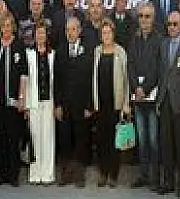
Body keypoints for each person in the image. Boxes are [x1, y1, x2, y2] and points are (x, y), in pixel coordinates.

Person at [156, 11, 180, 197]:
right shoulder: (163, 44)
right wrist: (158, 100)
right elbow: (161, 74)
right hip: (164, 101)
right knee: (166, 144)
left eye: (175, 24)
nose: (171, 27)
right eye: (169, 24)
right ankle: (168, 181)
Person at [53, 17, 94, 188]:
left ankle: (79, 175)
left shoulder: (88, 51)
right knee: (65, 140)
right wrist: (57, 105)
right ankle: (66, 174)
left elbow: (91, 79)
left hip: (81, 105)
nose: (70, 33)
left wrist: (89, 105)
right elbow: (56, 80)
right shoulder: (60, 51)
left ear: (79, 31)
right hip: (65, 105)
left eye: (73, 29)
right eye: (67, 30)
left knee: (81, 139)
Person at [128, 3, 163, 190]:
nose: (143, 19)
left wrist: (146, 88)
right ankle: (143, 175)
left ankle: (156, 177)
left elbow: (158, 68)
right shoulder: (134, 40)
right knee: (141, 139)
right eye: (141, 16)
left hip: (152, 98)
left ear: (153, 18)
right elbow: (130, 65)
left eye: (147, 16)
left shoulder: (159, 40)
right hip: (138, 98)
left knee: (154, 139)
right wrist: (136, 88)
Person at [92, 19, 130, 187]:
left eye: (108, 32)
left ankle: (113, 175)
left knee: (115, 141)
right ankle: (103, 173)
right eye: (103, 33)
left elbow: (127, 80)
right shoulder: (97, 51)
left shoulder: (120, 52)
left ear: (113, 34)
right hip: (100, 104)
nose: (106, 35)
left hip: (116, 104)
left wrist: (126, 104)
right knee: (101, 141)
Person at [0, 14, 28, 187]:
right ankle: (1, 174)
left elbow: (23, 74)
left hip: (13, 102)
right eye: (3, 25)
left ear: (13, 26)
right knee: (0, 139)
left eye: (9, 25)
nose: (6, 28)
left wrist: (21, 98)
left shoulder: (19, 46)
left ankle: (13, 175)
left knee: (13, 139)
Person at [25, 21, 56, 185]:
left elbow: (55, 80)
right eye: (38, 33)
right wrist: (26, 105)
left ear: (47, 35)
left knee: (48, 137)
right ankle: (35, 173)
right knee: (35, 137)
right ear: (34, 35)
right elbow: (27, 80)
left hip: (49, 101)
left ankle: (48, 173)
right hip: (34, 102)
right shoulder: (28, 54)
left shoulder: (53, 54)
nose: (40, 36)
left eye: (43, 33)